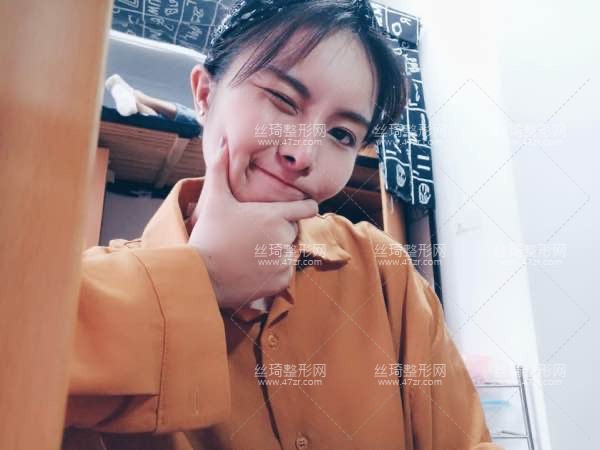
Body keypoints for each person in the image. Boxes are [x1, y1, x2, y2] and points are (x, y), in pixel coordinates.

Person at [63, 1, 502, 449]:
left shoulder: (383, 270)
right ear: (205, 95)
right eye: (283, 100)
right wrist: (200, 278)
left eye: (341, 134)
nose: (303, 154)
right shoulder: (77, 297)